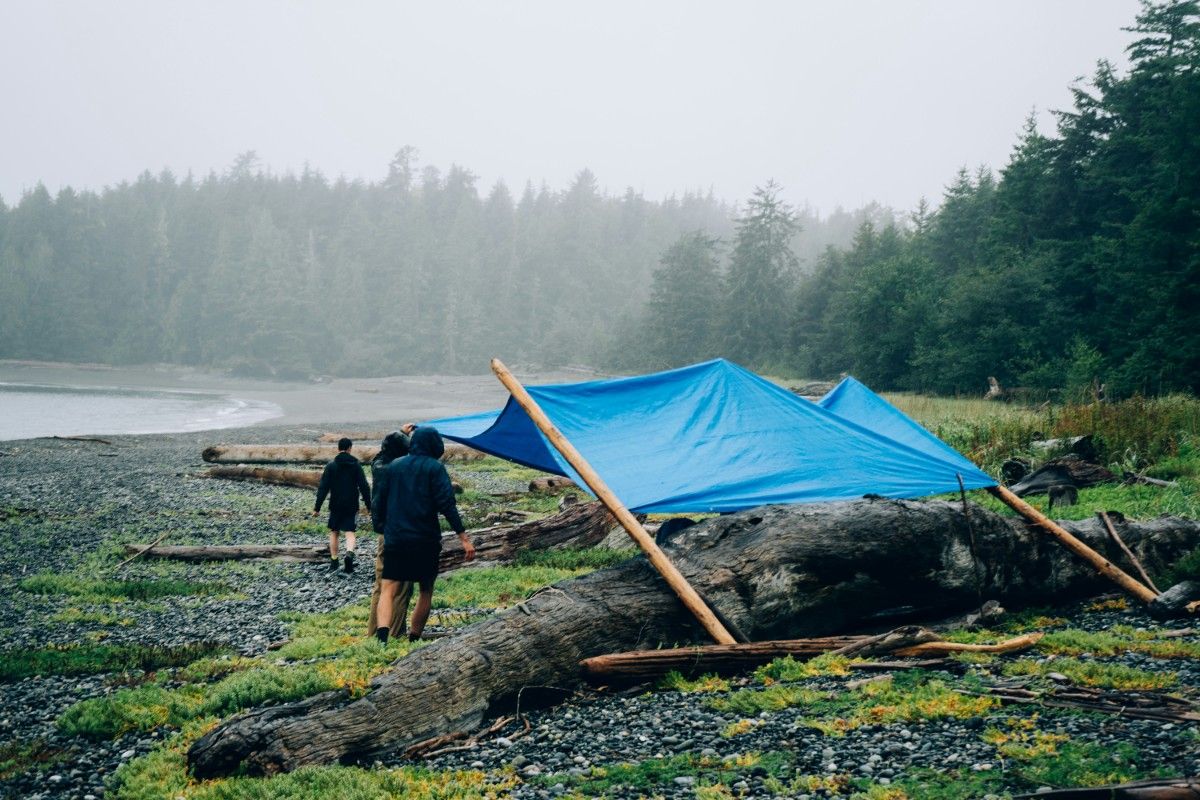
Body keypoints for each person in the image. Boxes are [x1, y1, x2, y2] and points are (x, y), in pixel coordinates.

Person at [371, 426, 475, 643]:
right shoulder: (435, 468)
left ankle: (382, 640)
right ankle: (414, 638)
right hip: (425, 539)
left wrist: (381, 527)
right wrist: (464, 538)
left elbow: (379, 501)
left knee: (388, 587)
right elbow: (447, 504)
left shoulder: (394, 466)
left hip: (396, 537)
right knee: (425, 590)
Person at [366, 426, 413, 636]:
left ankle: (374, 632)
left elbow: (380, 454)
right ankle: (395, 633)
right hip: (401, 532)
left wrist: (399, 432)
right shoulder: (402, 470)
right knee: (401, 587)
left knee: (381, 585)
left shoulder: (378, 466)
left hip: (383, 533)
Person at [313, 437, 371, 574]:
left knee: (334, 532)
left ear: (338, 448)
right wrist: (369, 506)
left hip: (336, 504)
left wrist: (317, 508)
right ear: (350, 448)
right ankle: (349, 554)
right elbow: (364, 486)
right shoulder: (356, 464)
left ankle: (334, 561)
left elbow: (323, 488)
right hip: (351, 504)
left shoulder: (331, 465)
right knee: (350, 532)